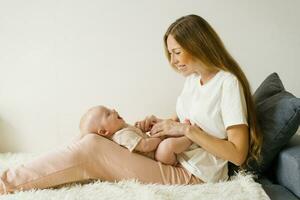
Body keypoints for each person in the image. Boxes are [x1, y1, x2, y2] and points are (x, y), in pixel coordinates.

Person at [0, 14, 263, 194]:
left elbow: (237, 154)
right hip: (172, 157)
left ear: (198, 45)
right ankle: (14, 176)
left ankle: (6, 183)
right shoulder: (194, 81)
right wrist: (160, 123)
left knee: (92, 147)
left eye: (177, 52)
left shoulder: (227, 83)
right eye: (170, 54)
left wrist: (185, 131)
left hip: (194, 173)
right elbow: (186, 118)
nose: (173, 61)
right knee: (91, 140)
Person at [78, 105, 193, 165]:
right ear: (104, 132)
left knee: (164, 131)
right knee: (167, 146)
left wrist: (139, 128)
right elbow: (144, 146)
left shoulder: (122, 129)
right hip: (159, 158)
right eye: (108, 114)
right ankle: (190, 137)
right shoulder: (121, 136)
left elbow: (137, 136)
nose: (113, 110)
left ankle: (182, 129)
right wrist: (159, 137)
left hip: (156, 147)